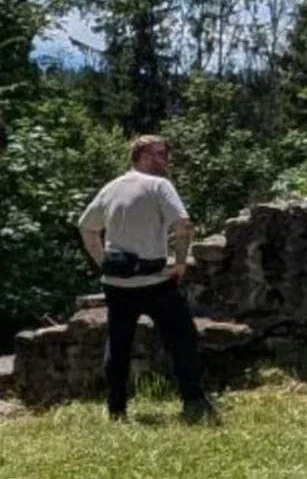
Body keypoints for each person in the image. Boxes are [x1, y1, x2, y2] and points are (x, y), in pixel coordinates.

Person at [77, 135, 217, 424]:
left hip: (117, 283)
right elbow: (183, 224)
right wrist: (179, 262)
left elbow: (86, 227)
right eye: (159, 154)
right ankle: (193, 400)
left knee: (118, 346)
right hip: (155, 281)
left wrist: (103, 261)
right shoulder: (159, 186)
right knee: (182, 339)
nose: (165, 159)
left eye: (165, 153)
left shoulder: (112, 187)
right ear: (141, 155)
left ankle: (116, 410)